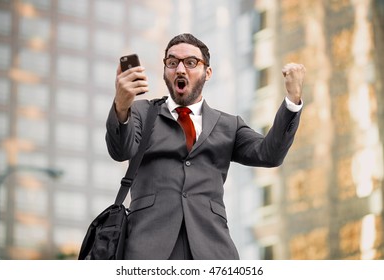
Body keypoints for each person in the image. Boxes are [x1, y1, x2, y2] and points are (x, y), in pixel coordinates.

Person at [106, 33, 306, 260]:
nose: (180, 69)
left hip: (212, 251)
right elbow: (119, 151)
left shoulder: (229, 125)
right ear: (165, 72)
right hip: (148, 250)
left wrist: (292, 102)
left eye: (190, 63)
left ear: (207, 72)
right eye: (172, 63)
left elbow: (269, 154)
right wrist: (121, 106)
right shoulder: (141, 112)